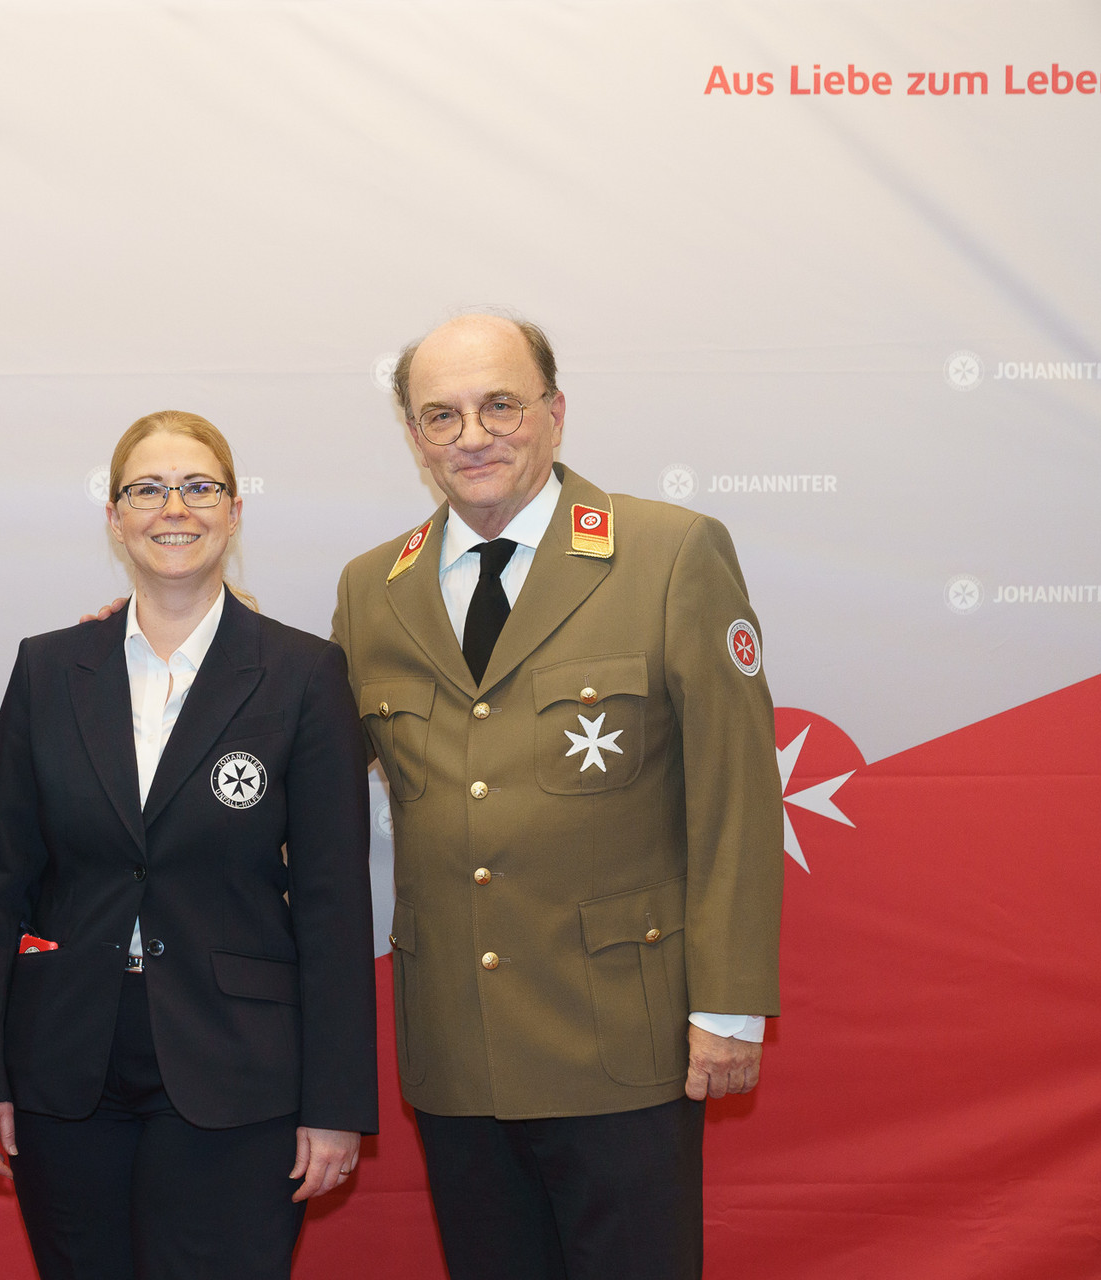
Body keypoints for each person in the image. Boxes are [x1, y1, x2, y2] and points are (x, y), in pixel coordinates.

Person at [331, 312, 783, 1278]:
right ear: (415, 437)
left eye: (500, 405)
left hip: (623, 1038)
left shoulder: (668, 553)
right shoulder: (373, 588)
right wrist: (171, 638)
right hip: (457, 1044)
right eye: (442, 416)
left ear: (555, 411)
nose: (473, 436)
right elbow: (305, 753)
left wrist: (731, 1007)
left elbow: (738, 797)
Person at [0, 411, 378, 1279]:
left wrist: (336, 1101)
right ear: (114, 517)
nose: (173, 508)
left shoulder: (304, 674)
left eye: (198, 487)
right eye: (146, 489)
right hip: (66, 1065)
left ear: (234, 511)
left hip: (238, 1067)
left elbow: (334, 901)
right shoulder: (48, 669)